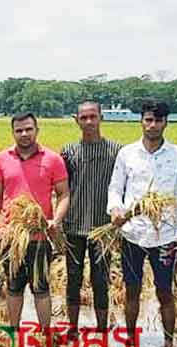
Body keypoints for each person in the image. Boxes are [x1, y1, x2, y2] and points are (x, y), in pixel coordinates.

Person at [107, 99, 177, 347]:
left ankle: (168, 343)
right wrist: (116, 209)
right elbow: (115, 187)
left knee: (165, 291)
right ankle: (130, 341)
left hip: (164, 234)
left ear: (166, 122)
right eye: (148, 119)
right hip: (132, 232)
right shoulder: (127, 153)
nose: (152, 125)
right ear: (141, 121)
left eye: (158, 120)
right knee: (131, 290)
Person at [0, 113, 69, 337]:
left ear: (37, 130)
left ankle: (45, 334)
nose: (24, 134)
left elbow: (63, 195)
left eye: (28, 129)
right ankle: (13, 331)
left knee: (40, 287)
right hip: (10, 236)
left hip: (39, 237)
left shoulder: (52, 159)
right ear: (13, 132)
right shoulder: (1, 159)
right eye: (19, 130)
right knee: (13, 285)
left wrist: (56, 220)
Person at [61, 102, 122, 334]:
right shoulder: (68, 152)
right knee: (73, 278)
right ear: (76, 120)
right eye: (83, 117)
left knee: (100, 280)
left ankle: (101, 329)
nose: (88, 122)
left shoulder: (116, 151)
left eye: (92, 117)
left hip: (103, 227)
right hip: (74, 225)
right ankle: (73, 328)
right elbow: (62, 189)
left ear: (101, 118)